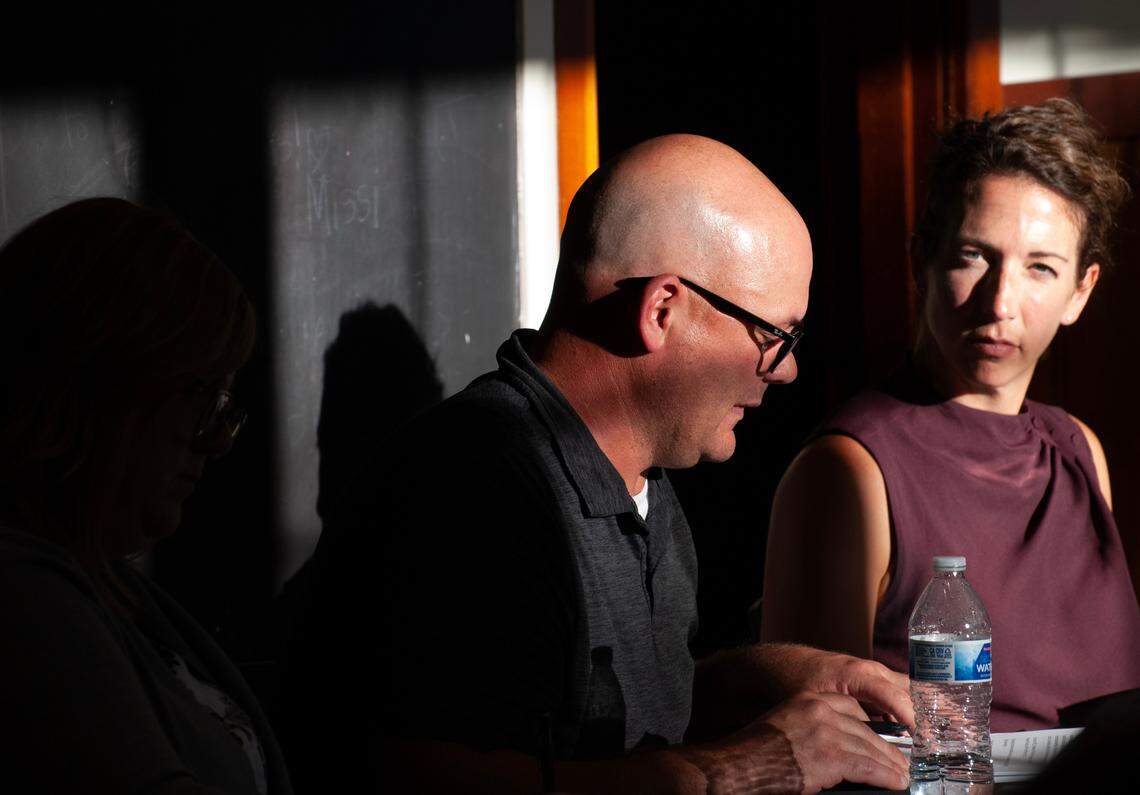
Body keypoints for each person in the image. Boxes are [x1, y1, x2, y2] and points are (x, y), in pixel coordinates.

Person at [290, 134, 912, 794]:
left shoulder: (647, 478)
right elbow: (423, 776)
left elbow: (610, 721)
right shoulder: (477, 485)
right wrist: (744, 768)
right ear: (663, 309)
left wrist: (778, 676)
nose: (785, 369)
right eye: (773, 337)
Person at [761, 99, 1140, 731]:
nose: (1001, 302)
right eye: (973, 256)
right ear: (922, 263)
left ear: (1081, 290)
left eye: (1040, 268)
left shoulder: (1079, 450)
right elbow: (812, 746)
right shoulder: (850, 470)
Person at [0, 198, 293, 794]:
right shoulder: (24, 598)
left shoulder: (105, 583)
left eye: (224, 408)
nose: (215, 441)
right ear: (106, 383)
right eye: (199, 396)